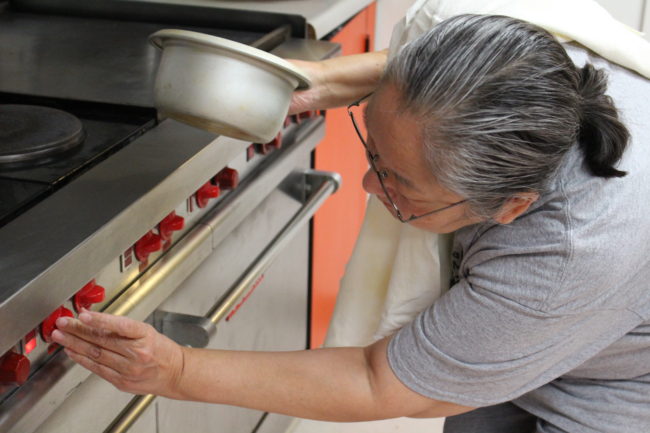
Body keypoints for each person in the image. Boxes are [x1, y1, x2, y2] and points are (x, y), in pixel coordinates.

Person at [52, 14, 650, 432]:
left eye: (396, 181)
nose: (368, 185)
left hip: (616, 391)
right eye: (374, 155)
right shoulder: (532, 70)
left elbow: (378, 382)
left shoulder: (568, 257)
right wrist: (318, 83)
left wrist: (177, 370)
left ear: (511, 208)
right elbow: (428, 79)